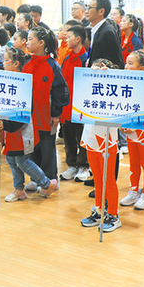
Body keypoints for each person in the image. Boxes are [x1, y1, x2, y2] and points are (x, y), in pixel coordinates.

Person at [0, 47, 58, 201]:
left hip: (21, 128)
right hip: (9, 127)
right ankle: (19, 189)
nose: (3, 63)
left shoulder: (23, 83)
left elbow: (24, 111)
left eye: (6, 60)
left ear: (16, 63)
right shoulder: (6, 80)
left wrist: (8, 125)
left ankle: (46, 184)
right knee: (11, 159)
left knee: (22, 161)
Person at [23, 27, 69, 188]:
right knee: (32, 147)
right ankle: (36, 179)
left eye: (30, 39)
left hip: (46, 117)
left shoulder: (52, 65)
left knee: (47, 148)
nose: (27, 42)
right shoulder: (27, 63)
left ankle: (50, 180)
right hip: (30, 116)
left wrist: (56, 114)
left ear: (41, 43)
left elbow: (60, 91)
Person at [79, 59, 122, 232]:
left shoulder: (114, 90)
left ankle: (113, 214)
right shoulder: (88, 88)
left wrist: (109, 77)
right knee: (97, 178)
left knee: (108, 179)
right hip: (91, 138)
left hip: (107, 140)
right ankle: (99, 209)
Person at [119, 50, 144, 211]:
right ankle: (133, 191)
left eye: (130, 63)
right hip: (130, 131)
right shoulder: (127, 84)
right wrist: (123, 123)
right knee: (133, 163)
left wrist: (133, 125)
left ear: (141, 69)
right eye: (126, 63)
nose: (126, 66)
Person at [59, 24, 90, 182]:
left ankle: (84, 166)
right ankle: (71, 164)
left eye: (69, 37)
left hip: (80, 106)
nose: (66, 39)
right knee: (68, 136)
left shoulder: (86, 59)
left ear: (78, 39)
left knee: (82, 136)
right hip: (67, 105)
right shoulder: (67, 58)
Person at [86, 0, 123, 68]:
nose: (86, 11)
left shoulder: (107, 32)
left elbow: (114, 63)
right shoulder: (96, 30)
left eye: (89, 8)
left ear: (101, 12)